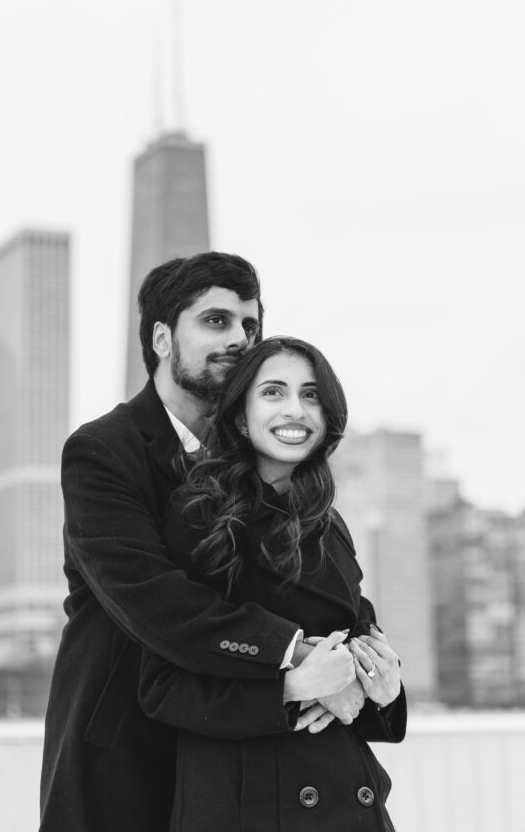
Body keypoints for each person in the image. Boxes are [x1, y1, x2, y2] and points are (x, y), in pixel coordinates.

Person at [40, 254, 339, 832]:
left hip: (238, 747)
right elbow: (154, 600)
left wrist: (358, 662)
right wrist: (295, 654)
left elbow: (305, 577)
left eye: (249, 326)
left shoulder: (259, 457)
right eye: (217, 321)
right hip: (124, 748)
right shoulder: (102, 451)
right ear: (161, 338)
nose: (240, 340)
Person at [138, 336, 406, 831]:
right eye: (273, 392)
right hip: (246, 807)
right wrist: (288, 688)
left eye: (311, 395)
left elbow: (356, 652)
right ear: (241, 416)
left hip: (348, 796)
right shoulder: (201, 515)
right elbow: (162, 686)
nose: (295, 410)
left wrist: (386, 691)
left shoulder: (330, 523)